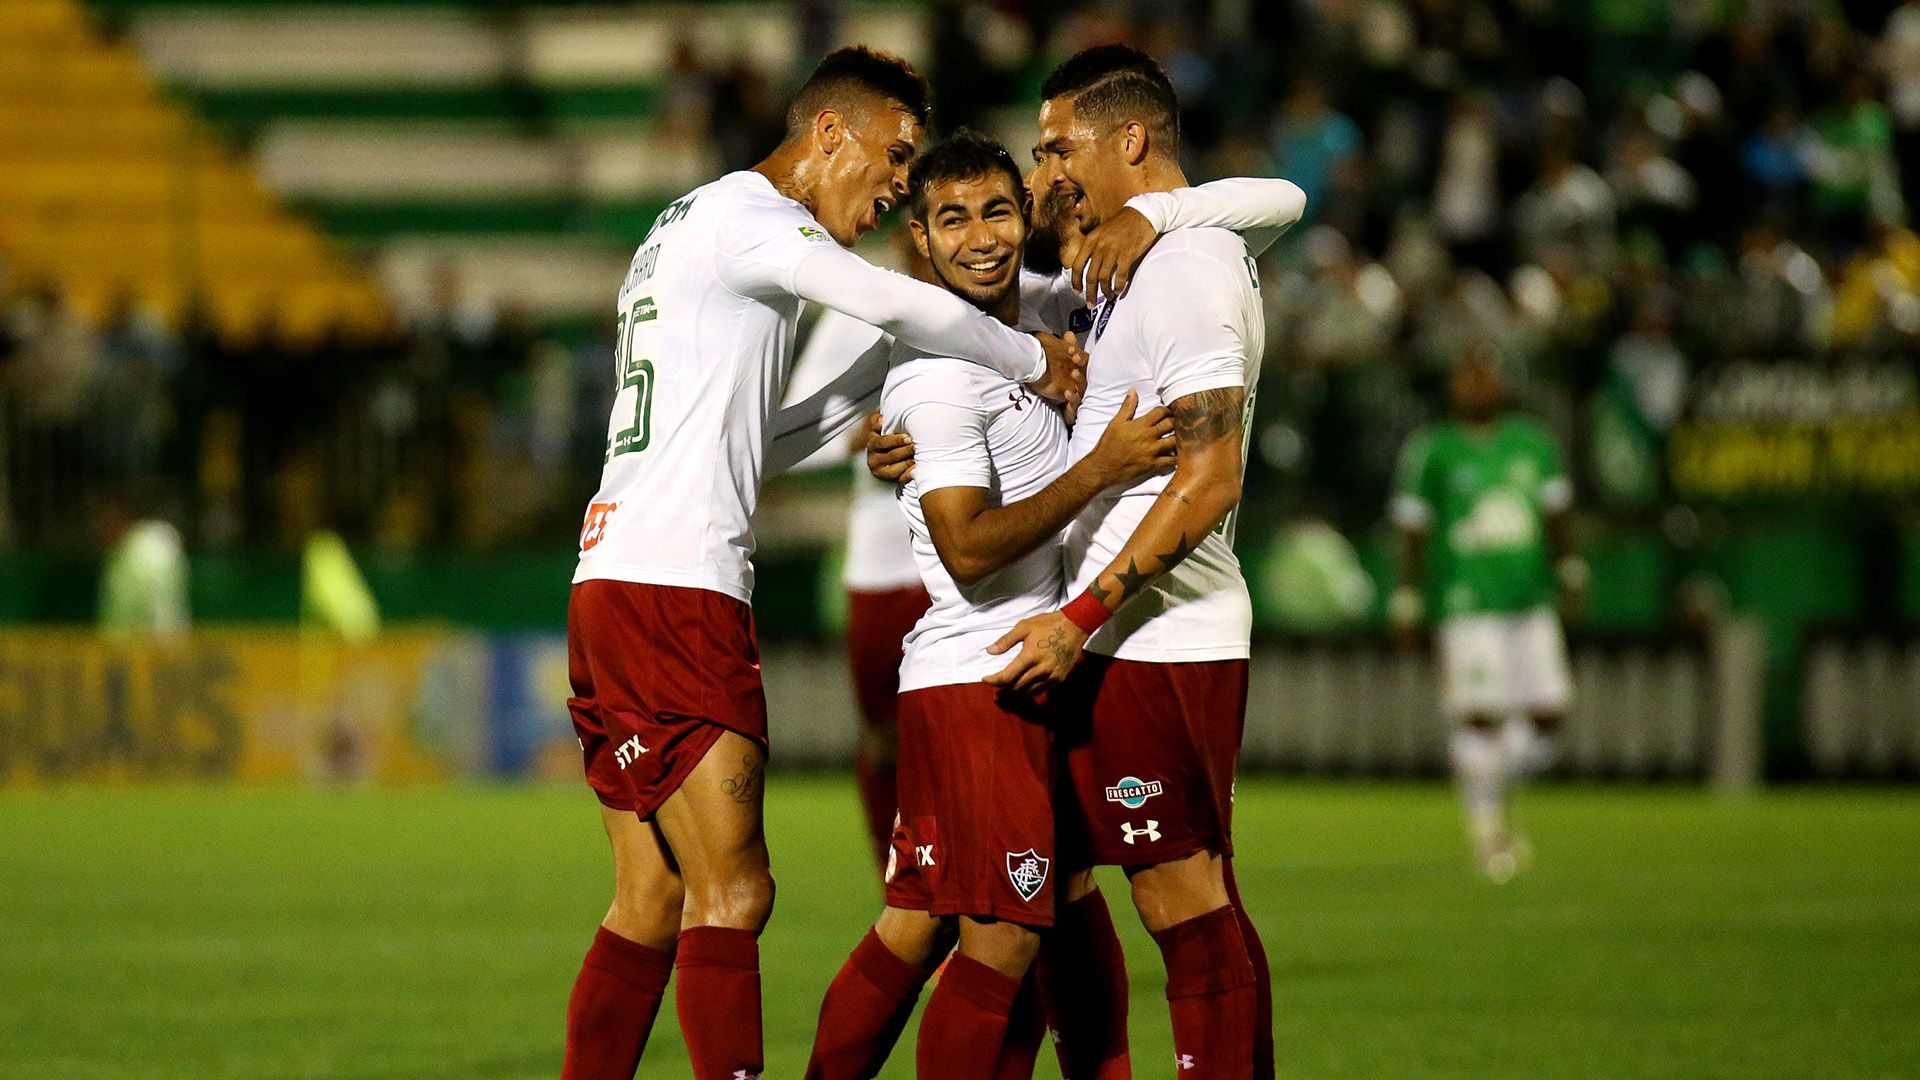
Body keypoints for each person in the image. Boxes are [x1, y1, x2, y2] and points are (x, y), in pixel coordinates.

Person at [559, 46, 1090, 1080]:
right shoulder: (761, 220)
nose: (898, 186)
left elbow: (753, 430)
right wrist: (1035, 358)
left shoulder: (680, 227)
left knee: (653, 896)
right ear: (828, 134)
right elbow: (898, 304)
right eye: (893, 157)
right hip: (676, 590)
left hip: (610, 573)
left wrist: (866, 417)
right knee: (734, 894)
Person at [808, 129, 1177, 1080]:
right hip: (984, 676)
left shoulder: (1049, 312)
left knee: (949, 919)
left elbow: (1266, 208)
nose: (981, 237)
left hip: (1024, 669)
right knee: (1003, 939)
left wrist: (1152, 212)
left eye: (998, 210)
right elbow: (969, 549)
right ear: (920, 243)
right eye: (953, 218)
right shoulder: (935, 375)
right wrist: (1101, 467)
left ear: (1028, 215)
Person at [985, 45, 1274, 1080]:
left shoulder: (1188, 267)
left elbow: (1209, 478)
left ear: (1132, 141)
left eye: (1060, 145)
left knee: (1180, 897)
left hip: (1158, 635)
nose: (1044, 167)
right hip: (1102, 634)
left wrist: (1083, 614)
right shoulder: (1119, 260)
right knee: (1047, 879)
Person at [1389, 346, 1583, 882]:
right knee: (1479, 714)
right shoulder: (1433, 449)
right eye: (1466, 377)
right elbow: (1413, 527)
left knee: (1548, 712)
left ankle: (1495, 788)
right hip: (1465, 601)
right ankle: (1487, 830)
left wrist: (1569, 569)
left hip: (1530, 596)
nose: (1477, 387)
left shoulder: (1534, 442)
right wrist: (1407, 597)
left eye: (1485, 376)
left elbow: (1557, 513)